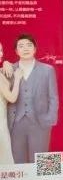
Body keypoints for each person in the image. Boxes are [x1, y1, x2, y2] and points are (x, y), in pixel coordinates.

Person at [7, 35, 57, 164]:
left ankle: (45, 178)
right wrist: (6, 63)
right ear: (16, 51)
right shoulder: (9, 70)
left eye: (29, 45)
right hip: (15, 124)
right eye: (21, 46)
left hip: (40, 123)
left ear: (35, 49)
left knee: (41, 161)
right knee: (18, 161)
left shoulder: (47, 70)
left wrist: (48, 120)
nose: (25, 49)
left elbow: (53, 97)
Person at [0, 44, 17, 165]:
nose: (1, 54)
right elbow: (12, 98)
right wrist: (18, 79)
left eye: (1, 50)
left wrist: (6, 62)